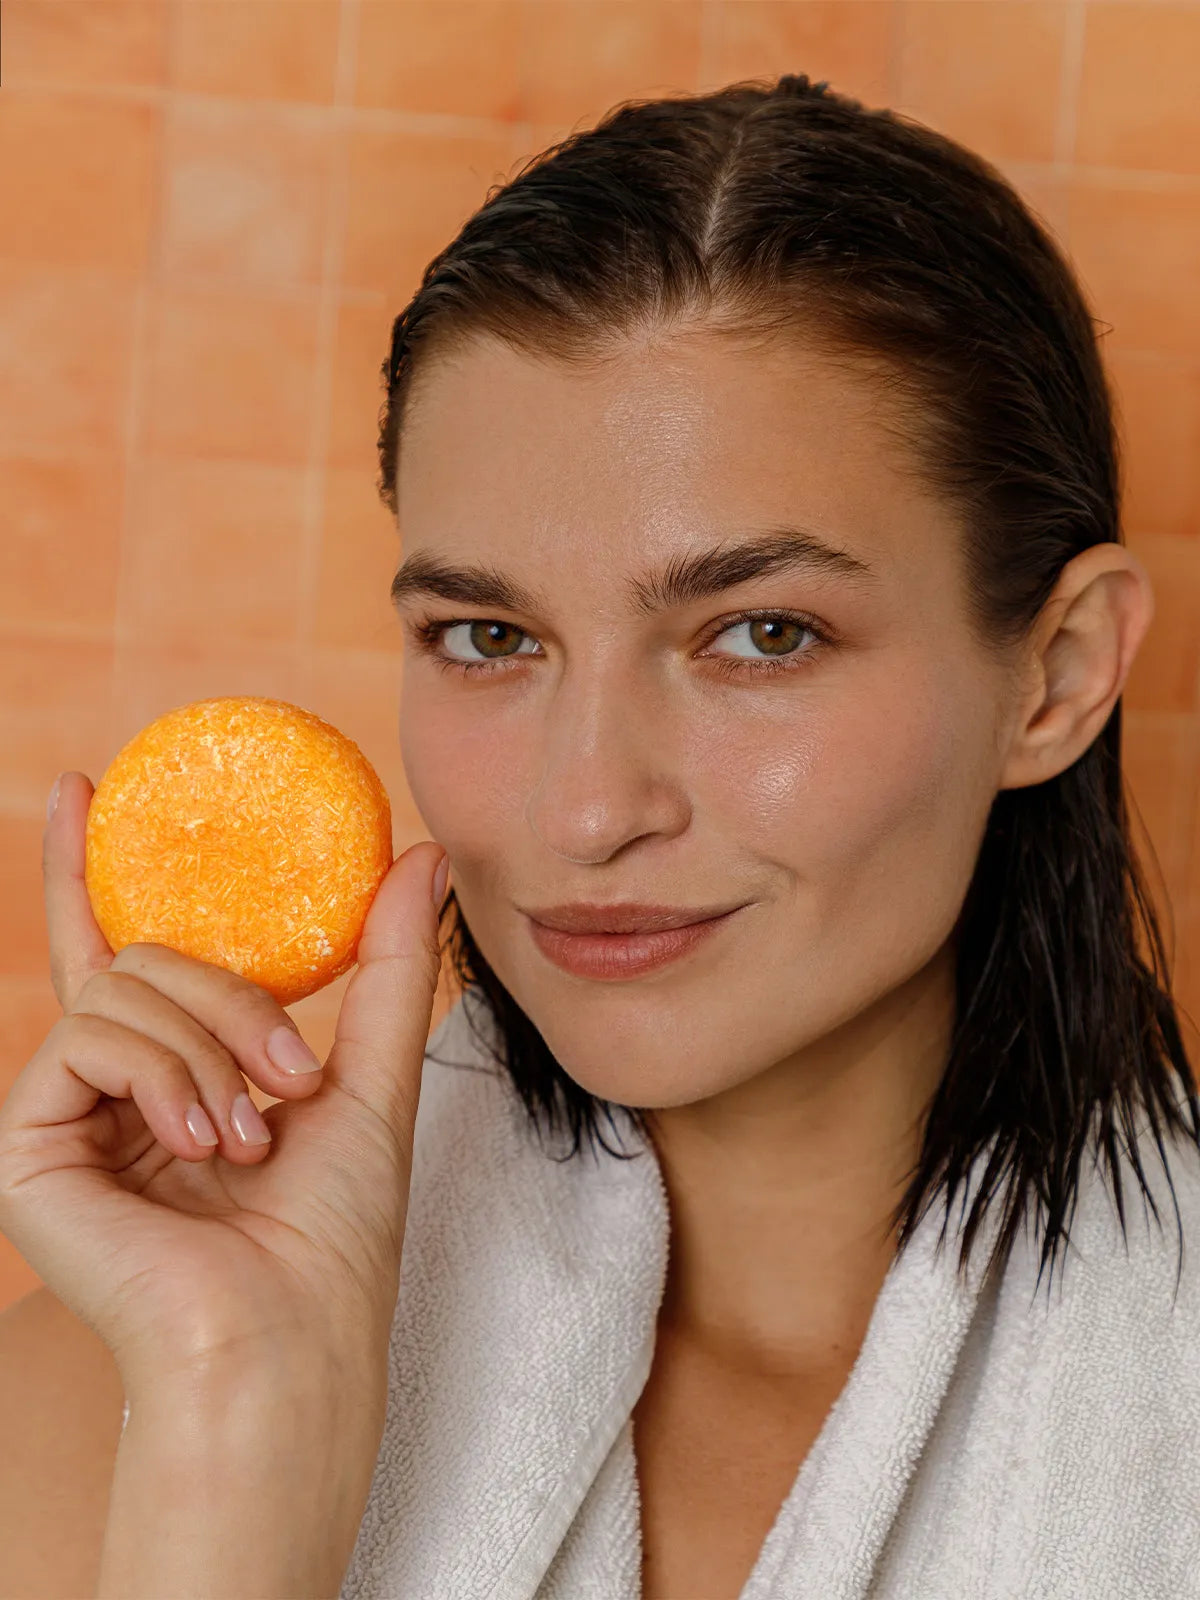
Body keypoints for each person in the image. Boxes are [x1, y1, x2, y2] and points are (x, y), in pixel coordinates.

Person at [1, 71, 1198, 1600]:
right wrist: (237, 1438)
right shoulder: (127, 1389)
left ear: (1062, 670)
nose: (581, 811)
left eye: (762, 634)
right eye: (490, 636)